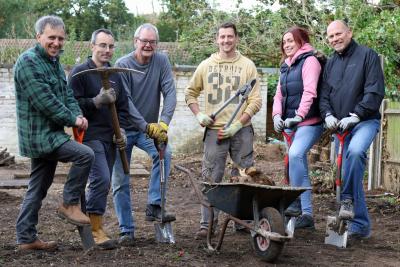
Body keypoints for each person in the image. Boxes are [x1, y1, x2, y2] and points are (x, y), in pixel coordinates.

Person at [14, 15, 94, 251]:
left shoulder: (54, 62)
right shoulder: (27, 62)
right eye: (51, 37)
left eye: (60, 38)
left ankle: (26, 238)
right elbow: (45, 102)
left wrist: (79, 116)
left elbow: (67, 96)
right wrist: (72, 119)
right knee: (85, 155)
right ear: (38, 36)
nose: (56, 43)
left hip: (51, 133)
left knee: (38, 187)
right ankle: (69, 204)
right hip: (40, 137)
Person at [185, 22, 262, 239]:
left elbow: (255, 100)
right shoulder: (206, 65)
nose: (226, 41)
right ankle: (207, 223)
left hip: (242, 131)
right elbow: (190, 93)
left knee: (244, 175)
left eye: (230, 36)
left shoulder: (247, 66)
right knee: (211, 177)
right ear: (217, 39)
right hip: (214, 132)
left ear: (236, 38)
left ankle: (243, 221)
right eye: (222, 37)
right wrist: (199, 114)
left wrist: (239, 123)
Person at [68, 28, 140, 248]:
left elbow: (124, 108)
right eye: (102, 45)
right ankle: (96, 229)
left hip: (111, 137)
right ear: (92, 46)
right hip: (89, 136)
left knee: (103, 183)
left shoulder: (116, 74)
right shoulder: (80, 73)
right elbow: (71, 106)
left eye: (110, 46)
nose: (107, 50)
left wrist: (125, 132)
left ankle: (94, 223)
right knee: (102, 179)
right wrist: (96, 101)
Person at [111, 23, 177, 245]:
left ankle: (154, 205)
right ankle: (126, 230)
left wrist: (163, 124)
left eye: (152, 42)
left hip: (148, 129)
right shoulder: (122, 65)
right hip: (122, 130)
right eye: (144, 41)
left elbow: (170, 93)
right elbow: (126, 103)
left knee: (164, 155)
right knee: (120, 180)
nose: (148, 45)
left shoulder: (161, 61)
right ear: (135, 41)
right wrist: (147, 126)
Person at [320, 20, 384, 240]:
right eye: (331, 37)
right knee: (349, 172)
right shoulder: (330, 64)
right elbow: (324, 95)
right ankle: (361, 225)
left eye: (339, 34)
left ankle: (346, 199)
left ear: (350, 32)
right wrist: (327, 114)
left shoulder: (368, 56)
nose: (335, 39)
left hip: (364, 121)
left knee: (355, 153)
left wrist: (356, 114)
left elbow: (374, 91)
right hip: (340, 127)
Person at [272, 26, 323, 229]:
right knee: (296, 164)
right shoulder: (285, 65)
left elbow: (310, 91)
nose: (287, 44)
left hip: (309, 122)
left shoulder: (310, 61)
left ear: (301, 40)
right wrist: (276, 115)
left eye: (291, 40)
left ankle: (300, 207)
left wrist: (299, 115)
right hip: (289, 125)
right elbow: (278, 95)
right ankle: (304, 214)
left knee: (295, 156)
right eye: (284, 42)